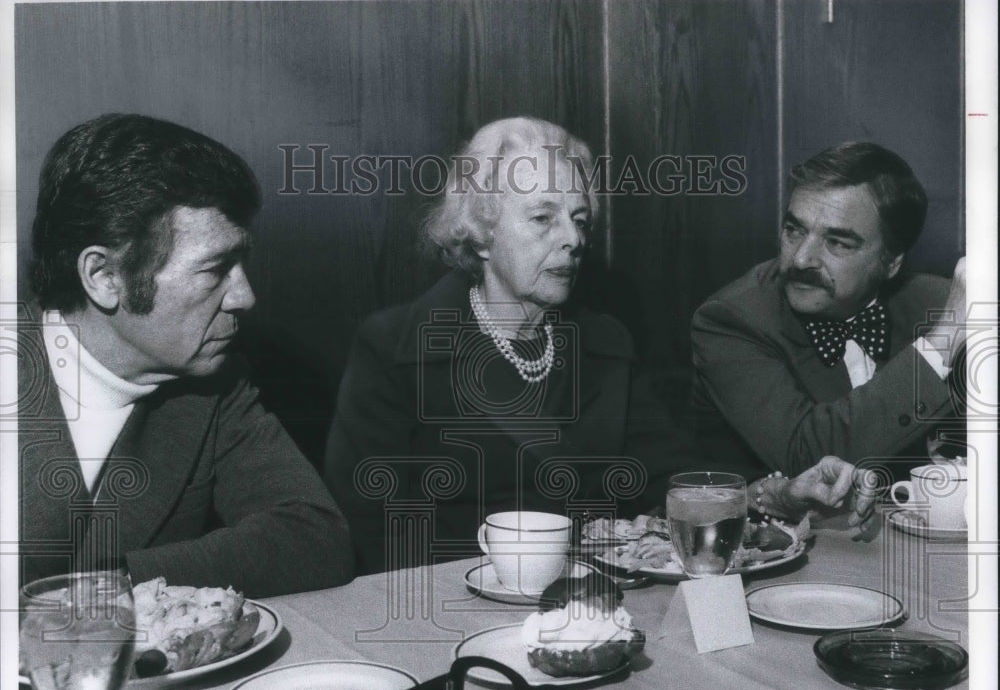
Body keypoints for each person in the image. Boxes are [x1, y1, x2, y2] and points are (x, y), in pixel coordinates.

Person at [325, 117, 877, 575]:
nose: (573, 238)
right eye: (543, 217)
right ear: (481, 231)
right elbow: (372, 531)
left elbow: (668, 480)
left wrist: (778, 496)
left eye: (579, 218)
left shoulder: (604, 343)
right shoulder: (395, 347)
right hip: (458, 610)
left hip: (603, 602)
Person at [18, 113, 354, 597]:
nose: (244, 297)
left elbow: (316, 538)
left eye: (241, 264)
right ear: (104, 277)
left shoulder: (217, 382)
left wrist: (111, 588)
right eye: (216, 269)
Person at [691, 141, 966, 479]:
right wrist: (942, 343)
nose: (801, 259)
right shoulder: (731, 319)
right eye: (794, 230)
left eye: (837, 242)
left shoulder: (937, 303)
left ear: (891, 263)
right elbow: (806, 457)